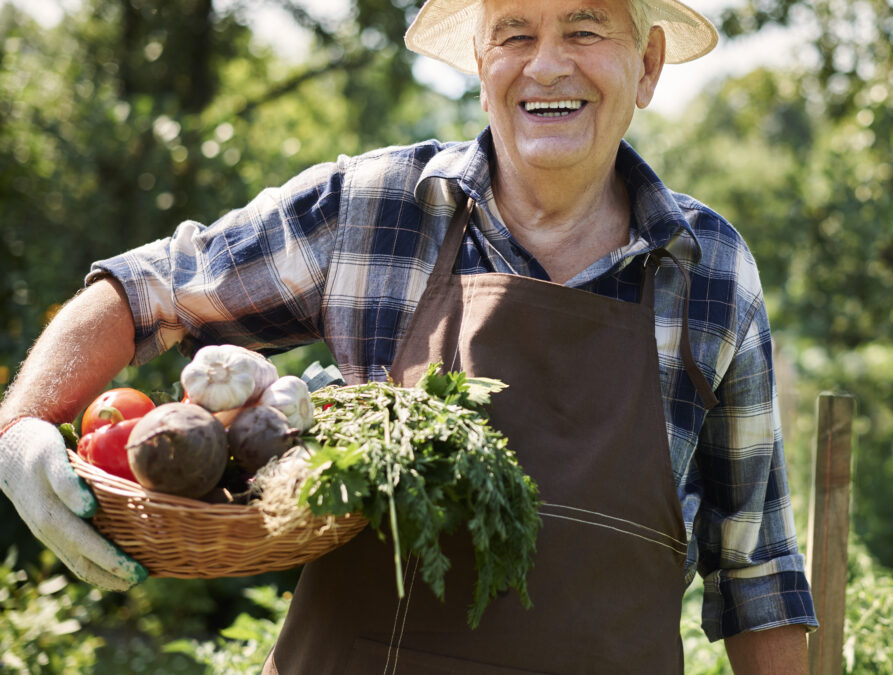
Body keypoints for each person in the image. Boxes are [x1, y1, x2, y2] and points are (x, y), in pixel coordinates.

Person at [0, 0, 818, 671]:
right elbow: (148, 289)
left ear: (645, 66)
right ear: (479, 58)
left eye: (585, 27)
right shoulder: (375, 207)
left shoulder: (712, 271)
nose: (547, 64)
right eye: (515, 32)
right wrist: (22, 428)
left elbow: (757, 572)